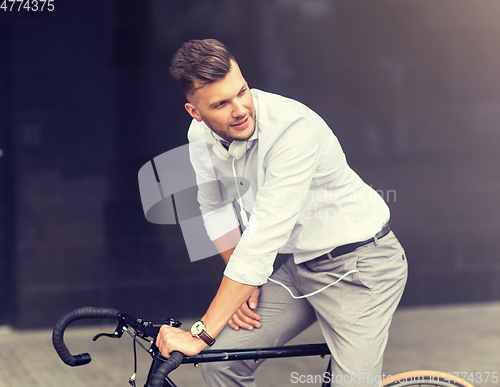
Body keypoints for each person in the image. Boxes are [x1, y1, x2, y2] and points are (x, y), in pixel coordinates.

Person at [155, 38, 408, 387]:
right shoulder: (199, 134)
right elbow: (213, 208)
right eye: (221, 103)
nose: (240, 108)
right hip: (300, 270)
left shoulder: (293, 130)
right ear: (195, 112)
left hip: (361, 267)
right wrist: (240, 283)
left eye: (242, 91)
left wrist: (201, 334)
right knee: (220, 364)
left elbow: (263, 237)